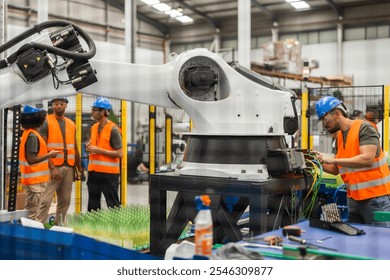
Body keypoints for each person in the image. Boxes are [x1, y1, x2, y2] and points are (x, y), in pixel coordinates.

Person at [313, 96, 390, 226]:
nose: (324, 124)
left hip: (376, 199)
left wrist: (331, 160)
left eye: (325, 119)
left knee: (380, 241)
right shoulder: (339, 139)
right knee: (357, 241)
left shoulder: (364, 128)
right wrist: (317, 161)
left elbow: (367, 159)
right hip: (353, 199)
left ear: (337, 113)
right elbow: (335, 170)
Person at [36, 97, 83, 225]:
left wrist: (79, 168)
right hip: (53, 168)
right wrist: (52, 167)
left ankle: (59, 226)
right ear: (52, 106)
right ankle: (38, 225)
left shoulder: (71, 124)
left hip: (68, 168)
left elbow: (75, 146)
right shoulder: (46, 121)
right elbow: (43, 146)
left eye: (61, 104)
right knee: (45, 200)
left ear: (66, 106)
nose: (59, 106)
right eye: (56, 104)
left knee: (65, 201)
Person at [19, 105, 60, 220]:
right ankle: (30, 235)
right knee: (32, 214)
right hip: (34, 183)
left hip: (34, 182)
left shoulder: (29, 133)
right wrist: (50, 155)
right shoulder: (32, 136)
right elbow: (31, 160)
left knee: (32, 212)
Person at [86, 97, 123, 211]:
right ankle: (93, 228)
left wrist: (99, 150)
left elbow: (120, 153)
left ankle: (115, 228)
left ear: (103, 112)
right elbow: (98, 144)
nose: (92, 112)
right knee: (93, 205)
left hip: (109, 175)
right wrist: (89, 146)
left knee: (113, 205)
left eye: (95, 110)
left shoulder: (114, 129)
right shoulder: (93, 127)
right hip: (93, 172)